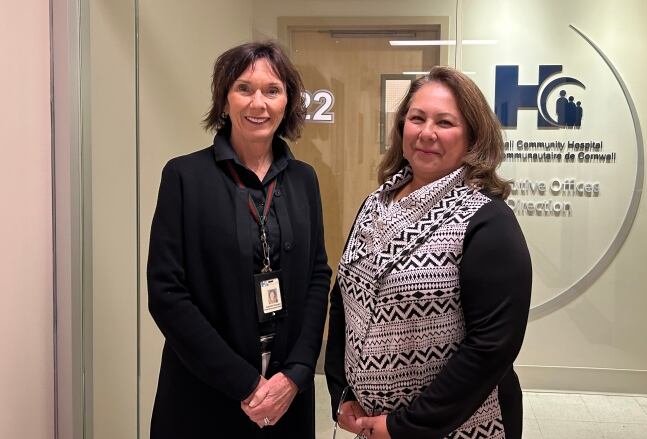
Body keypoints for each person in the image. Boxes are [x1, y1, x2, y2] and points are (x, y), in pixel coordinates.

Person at [325, 66, 532, 439]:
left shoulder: (488, 221)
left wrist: (406, 425)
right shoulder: (375, 204)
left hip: (458, 428)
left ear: (472, 135)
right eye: (417, 118)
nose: (427, 133)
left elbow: (491, 348)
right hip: (371, 424)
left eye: (445, 122)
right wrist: (341, 391)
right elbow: (343, 298)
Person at [147, 41, 331, 438]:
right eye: (244, 88)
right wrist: (247, 384)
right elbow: (166, 293)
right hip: (205, 393)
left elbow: (318, 276)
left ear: (288, 103)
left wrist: (297, 373)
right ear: (224, 99)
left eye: (272, 90)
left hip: (287, 399)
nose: (258, 103)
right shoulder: (184, 177)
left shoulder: (304, 179)